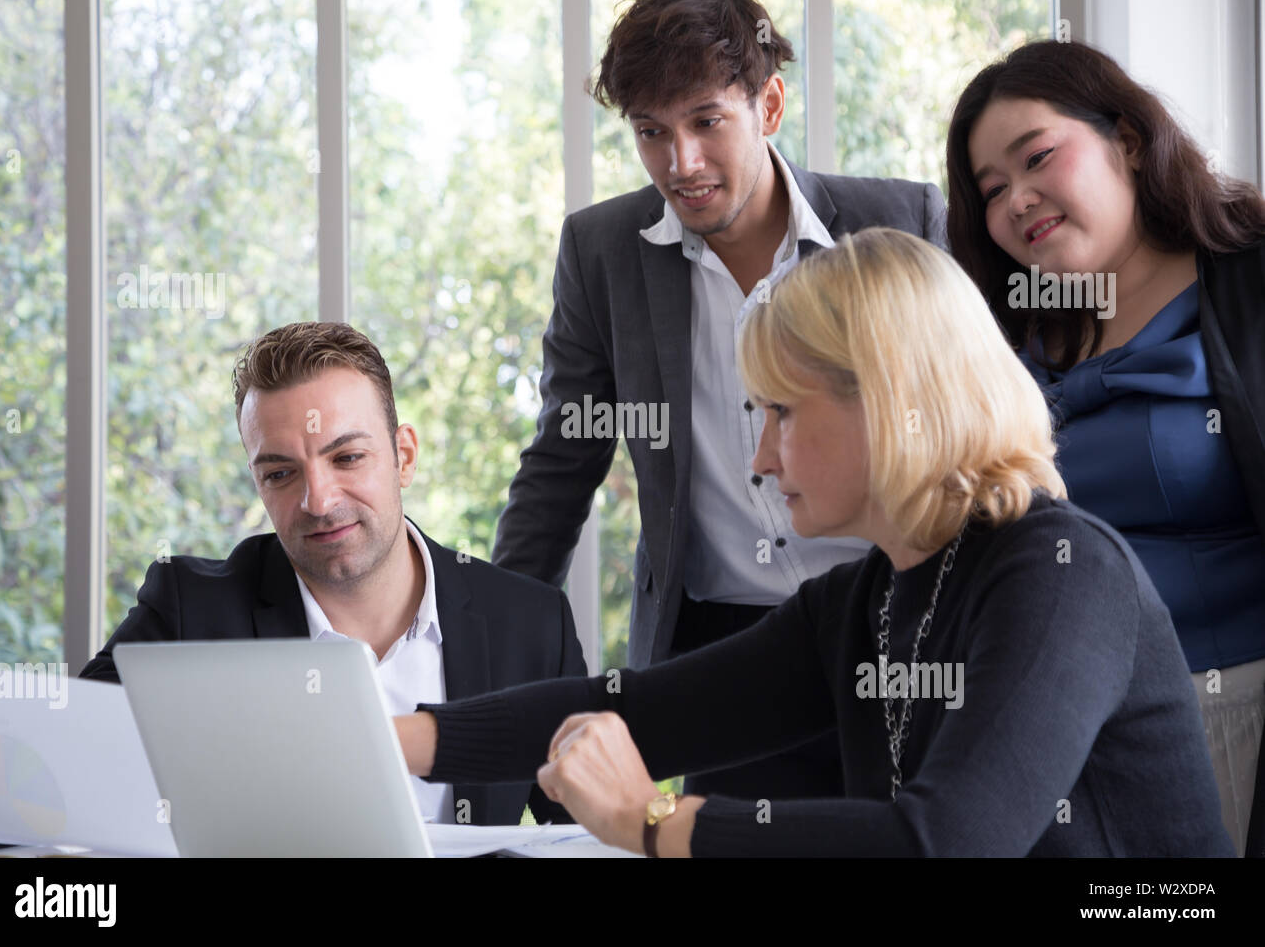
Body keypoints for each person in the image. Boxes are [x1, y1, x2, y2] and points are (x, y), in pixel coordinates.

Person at [390, 228, 1233, 856]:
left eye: (781, 413)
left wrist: (655, 823)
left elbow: (943, 844)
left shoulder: (1062, 575)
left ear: (889, 398)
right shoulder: (866, 598)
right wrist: (396, 737)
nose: (759, 459)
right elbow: (645, 709)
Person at [491, 0, 946, 802]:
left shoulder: (901, 221)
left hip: (896, 622)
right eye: (651, 132)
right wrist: (492, 646)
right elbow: (561, 467)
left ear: (768, 104)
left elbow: (968, 430)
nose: (681, 164)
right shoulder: (602, 252)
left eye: (706, 122)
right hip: (728, 650)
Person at [947, 39, 1265, 857]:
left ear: (1126, 139)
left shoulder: (1249, 284)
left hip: (1229, 717)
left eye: (1037, 157)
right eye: (991, 190)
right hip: (1056, 731)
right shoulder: (1003, 340)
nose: (1017, 199)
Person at [80, 321, 587, 827]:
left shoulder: (533, 624)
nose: (318, 501)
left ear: (403, 457)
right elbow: (68, 771)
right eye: (280, 473)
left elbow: (586, 832)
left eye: (347, 457)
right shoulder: (189, 610)